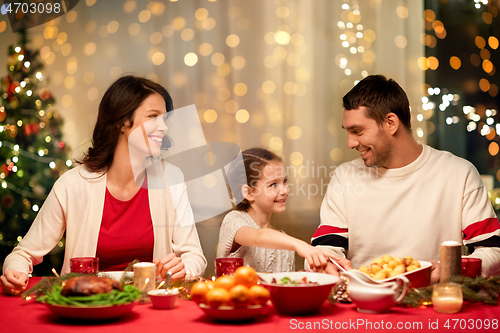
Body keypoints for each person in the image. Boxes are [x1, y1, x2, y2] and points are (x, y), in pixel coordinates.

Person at [1, 75, 207, 295]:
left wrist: (184, 269)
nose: (164, 127)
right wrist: (16, 271)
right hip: (86, 305)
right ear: (122, 122)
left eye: (165, 119)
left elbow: (194, 256)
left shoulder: (171, 179)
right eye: (153, 116)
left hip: (149, 307)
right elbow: (22, 254)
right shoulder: (72, 185)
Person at [311, 74, 500, 281]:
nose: (350, 143)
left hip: (434, 306)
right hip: (365, 304)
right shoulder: (344, 177)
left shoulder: (459, 173)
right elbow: (327, 248)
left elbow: (493, 251)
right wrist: (326, 263)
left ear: (391, 123)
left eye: (358, 131)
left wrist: (450, 268)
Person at [217, 147, 351, 273]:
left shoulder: (284, 240)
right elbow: (259, 236)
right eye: (273, 184)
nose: (285, 190)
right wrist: (301, 246)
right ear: (248, 193)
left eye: (285, 181)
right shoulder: (233, 221)